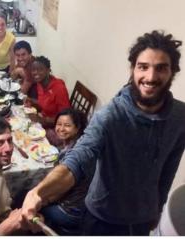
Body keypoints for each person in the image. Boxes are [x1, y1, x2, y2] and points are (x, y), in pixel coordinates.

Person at [21, 30, 185, 236]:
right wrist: (38, 192)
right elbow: (76, 161)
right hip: (101, 218)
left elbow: (169, 167)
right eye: (143, 67)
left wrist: (158, 207)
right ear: (133, 69)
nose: (151, 77)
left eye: (161, 68)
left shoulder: (180, 117)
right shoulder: (109, 116)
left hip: (143, 219)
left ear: (173, 71)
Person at [40, 108, 95, 235]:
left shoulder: (73, 156)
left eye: (67, 125)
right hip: (84, 206)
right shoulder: (80, 144)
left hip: (71, 212)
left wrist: (41, 200)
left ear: (77, 128)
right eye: (59, 124)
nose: (61, 129)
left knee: (28, 203)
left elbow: (58, 192)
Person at [24, 56, 71, 145]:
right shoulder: (40, 83)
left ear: (48, 70)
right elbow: (45, 103)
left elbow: (65, 119)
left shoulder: (59, 88)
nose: (36, 73)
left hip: (58, 127)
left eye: (40, 69)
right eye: (33, 70)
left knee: (31, 140)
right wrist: (32, 101)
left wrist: (42, 120)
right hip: (44, 119)